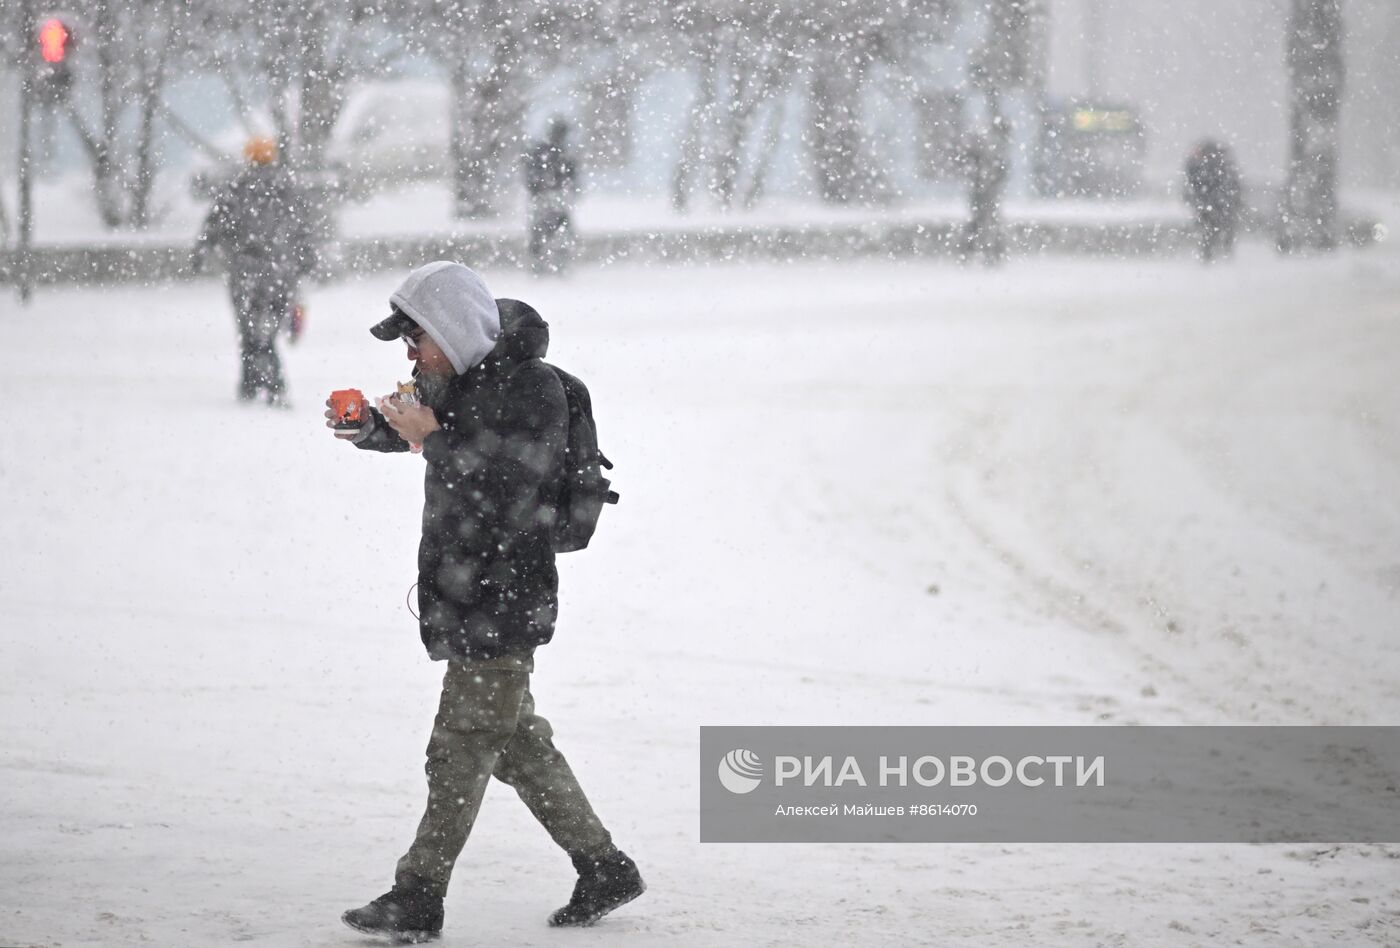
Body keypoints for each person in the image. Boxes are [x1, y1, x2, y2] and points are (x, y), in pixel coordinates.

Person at [329, 261, 643, 942]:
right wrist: (373, 428)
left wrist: (427, 437)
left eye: (417, 337)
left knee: (460, 746)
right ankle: (604, 866)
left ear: (453, 327)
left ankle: (418, 894)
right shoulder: (455, 379)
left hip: (507, 596)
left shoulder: (532, 390)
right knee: (517, 744)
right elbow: (437, 438)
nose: (411, 353)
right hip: (463, 592)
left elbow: (507, 489)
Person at [192, 137, 317, 406]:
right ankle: (268, 384)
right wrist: (306, 261)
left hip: (245, 273)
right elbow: (303, 232)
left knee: (249, 329)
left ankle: (255, 383)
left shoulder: (236, 189)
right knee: (269, 330)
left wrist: (201, 252)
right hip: (280, 274)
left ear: (248, 158)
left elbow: (214, 226)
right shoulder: (288, 189)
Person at [523, 118, 580, 274]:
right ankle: (551, 264)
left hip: (548, 195)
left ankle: (544, 264)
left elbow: (531, 173)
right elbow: (571, 175)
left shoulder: (544, 151)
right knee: (555, 230)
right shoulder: (559, 152)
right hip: (553, 195)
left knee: (545, 230)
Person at [1183, 139, 1243, 263]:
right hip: (1217, 202)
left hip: (1211, 202)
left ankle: (1211, 251)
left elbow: (1194, 183)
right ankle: (1219, 250)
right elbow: (1232, 184)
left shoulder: (1204, 166)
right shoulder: (1220, 164)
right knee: (1217, 227)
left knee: (1210, 228)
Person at [959, 133, 1007, 267]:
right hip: (984, 200)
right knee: (985, 225)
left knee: (981, 226)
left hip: (985, 199)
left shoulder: (979, 162)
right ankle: (991, 253)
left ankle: (988, 253)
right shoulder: (985, 161)